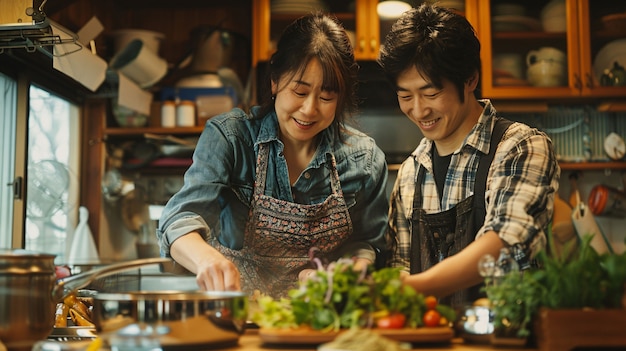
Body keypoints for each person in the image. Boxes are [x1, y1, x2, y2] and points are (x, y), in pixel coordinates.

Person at [156, 12, 389, 298]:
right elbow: (179, 218)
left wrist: (349, 270)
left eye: (326, 97)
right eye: (299, 91)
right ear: (275, 81)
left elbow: (368, 242)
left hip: (323, 317)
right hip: (240, 314)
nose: (309, 109)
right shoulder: (231, 138)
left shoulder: (365, 160)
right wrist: (207, 260)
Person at [377, 4, 560, 308]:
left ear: (470, 80)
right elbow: (401, 265)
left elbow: (505, 242)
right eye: (405, 96)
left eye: (431, 93)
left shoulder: (520, 147)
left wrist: (416, 288)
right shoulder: (410, 172)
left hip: (505, 339)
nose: (419, 110)